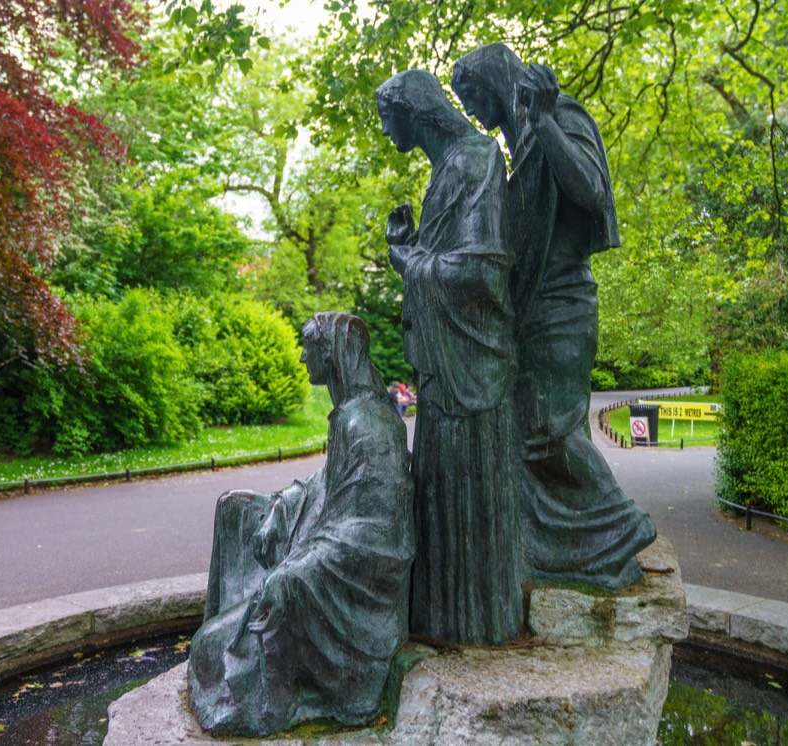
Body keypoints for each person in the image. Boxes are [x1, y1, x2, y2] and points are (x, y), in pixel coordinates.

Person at [452, 43, 655, 589]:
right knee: (526, 438)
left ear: (494, 81)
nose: (470, 109)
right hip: (533, 314)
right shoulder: (516, 154)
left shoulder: (560, 115)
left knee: (554, 435)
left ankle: (620, 526)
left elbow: (591, 193)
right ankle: (561, 548)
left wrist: (543, 121)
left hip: (565, 307)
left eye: (471, 94)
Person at [187, 312, 414, 737]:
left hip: (346, 595)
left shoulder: (368, 424)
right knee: (235, 508)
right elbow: (330, 483)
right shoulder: (350, 415)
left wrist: (295, 572)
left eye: (308, 346)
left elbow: (373, 531)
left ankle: (274, 673)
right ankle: (241, 622)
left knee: (208, 653)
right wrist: (284, 503)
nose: (301, 356)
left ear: (330, 355)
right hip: (317, 555)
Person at [377, 69, 522, 645]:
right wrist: (409, 250)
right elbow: (452, 261)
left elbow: (481, 272)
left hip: (472, 376)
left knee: (465, 498)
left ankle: (472, 627)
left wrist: (409, 262)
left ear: (413, 111)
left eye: (388, 118)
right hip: (446, 374)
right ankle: (445, 624)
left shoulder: (475, 159)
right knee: (442, 496)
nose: (388, 133)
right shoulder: (449, 168)